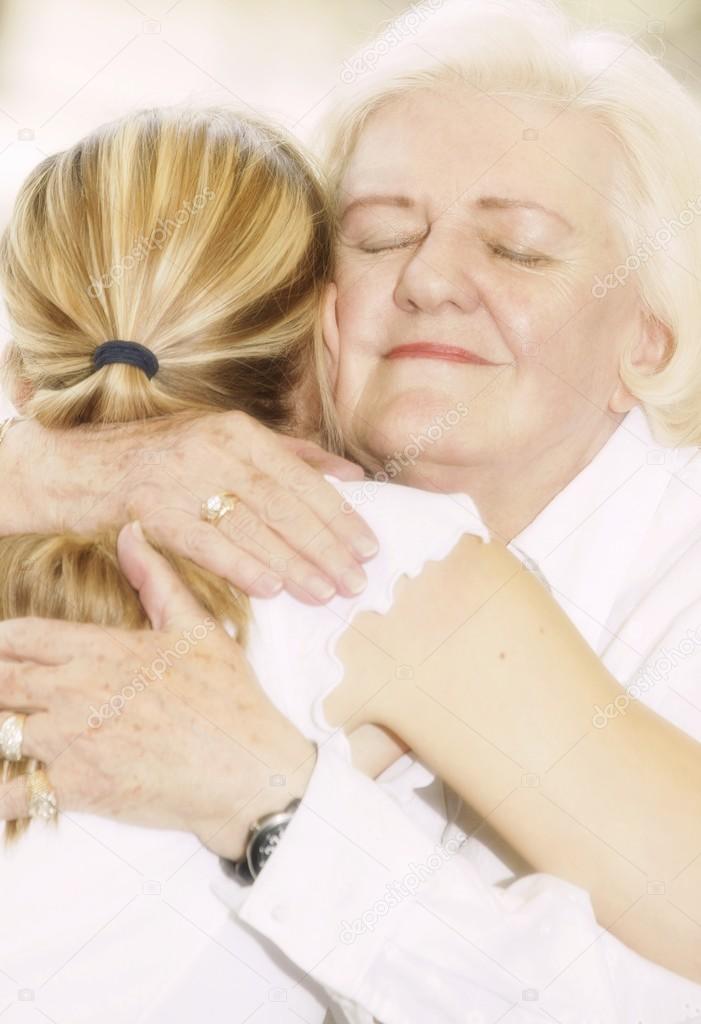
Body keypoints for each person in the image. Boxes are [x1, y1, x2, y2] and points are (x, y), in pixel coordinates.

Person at [1, 0, 701, 1019]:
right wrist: (72, 473)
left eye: (515, 249)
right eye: (379, 236)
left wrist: (279, 810)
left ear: (650, 337)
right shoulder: (358, 557)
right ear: (310, 307)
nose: (426, 278)